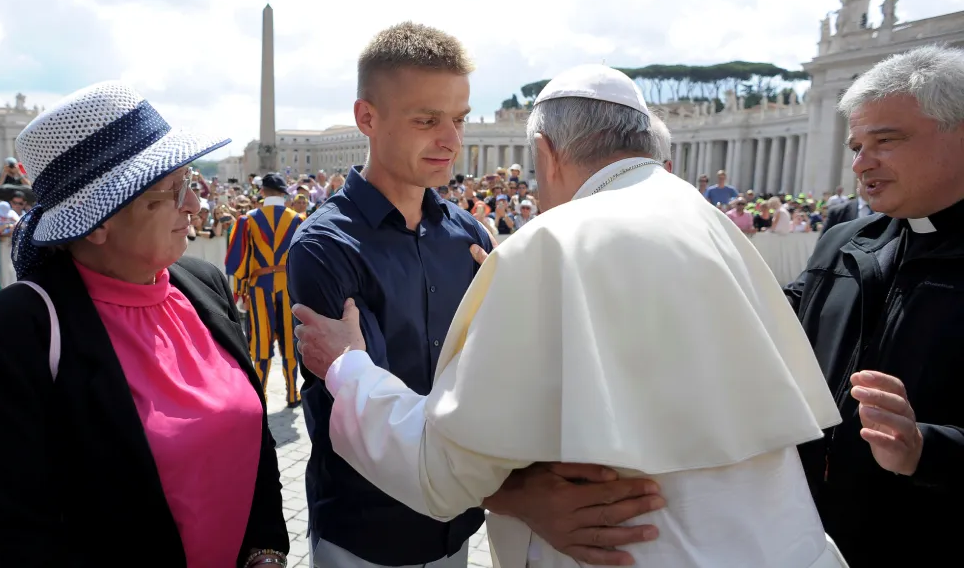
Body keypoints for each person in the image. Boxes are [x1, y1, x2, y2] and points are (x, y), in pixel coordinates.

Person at [292, 65, 849, 568]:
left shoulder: (552, 242)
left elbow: (441, 470)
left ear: (546, 150)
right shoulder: (709, 219)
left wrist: (348, 366)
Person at [287, 26, 664, 568]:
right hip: (368, 532)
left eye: (458, 119)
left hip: (458, 526)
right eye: (427, 120)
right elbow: (357, 410)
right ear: (367, 118)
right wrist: (520, 496)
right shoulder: (324, 246)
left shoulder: (469, 235)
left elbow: (486, 383)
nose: (452, 140)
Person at [0, 81, 289, 568]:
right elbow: (15, 540)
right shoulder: (3, 338)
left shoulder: (203, 283)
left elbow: (256, 439)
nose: (194, 206)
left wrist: (267, 548)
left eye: (190, 182)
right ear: (95, 220)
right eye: (173, 191)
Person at [787, 45, 964, 567]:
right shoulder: (842, 240)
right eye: (857, 145)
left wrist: (926, 448)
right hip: (812, 535)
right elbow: (781, 321)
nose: (861, 164)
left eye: (885, 141)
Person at [225, 172, 304, 408]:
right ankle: (292, 394)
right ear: (283, 193)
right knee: (290, 340)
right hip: (288, 287)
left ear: (261, 192)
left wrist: (239, 291)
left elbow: (239, 260)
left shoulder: (248, 219)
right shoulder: (297, 219)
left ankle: (260, 395)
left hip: (259, 287)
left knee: (260, 341)